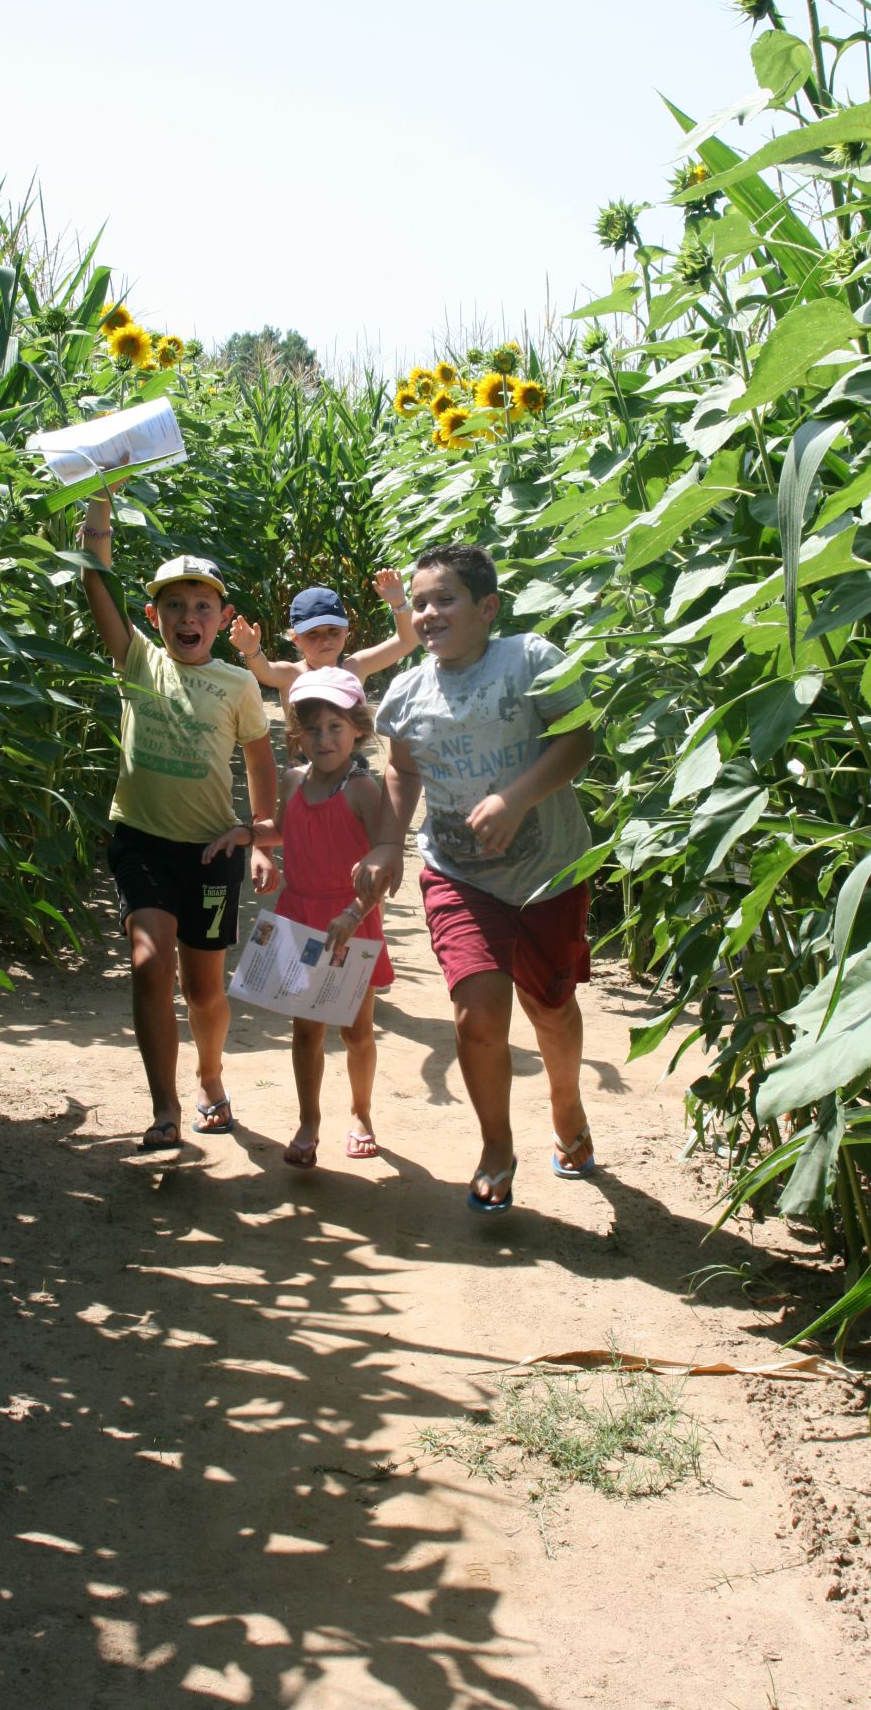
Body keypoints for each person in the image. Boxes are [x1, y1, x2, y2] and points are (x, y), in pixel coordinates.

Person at [353, 542, 596, 1213]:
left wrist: (517, 798)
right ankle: (496, 1145)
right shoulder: (406, 693)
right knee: (476, 1015)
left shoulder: (529, 660)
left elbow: (578, 739)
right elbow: (400, 769)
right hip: (458, 873)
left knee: (550, 1006)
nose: (428, 613)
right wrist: (386, 843)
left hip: (549, 870)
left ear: (487, 608)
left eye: (445, 599)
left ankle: (566, 1104)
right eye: (421, 602)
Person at [78, 492, 278, 1151]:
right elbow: (93, 580)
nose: (187, 617)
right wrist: (98, 516)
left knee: (204, 991)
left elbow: (258, 757)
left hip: (209, 853)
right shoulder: (138, 660)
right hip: (142, 844)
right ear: (152, 614)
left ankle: (211, 1078)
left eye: (202, 606)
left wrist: (259, 831)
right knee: (147, 961)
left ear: (222, 617)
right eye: (173, 605)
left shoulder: (237, 685)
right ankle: (164, 1109)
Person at [204, 668, 393, 1169]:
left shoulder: (362, 790)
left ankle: (361, 1113)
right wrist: (246, 836)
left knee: (356, 1031)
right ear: (298, 736)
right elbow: (283, 829)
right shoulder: (294, 780)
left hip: (351, 922)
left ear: (357, 729)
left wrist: (355, 912)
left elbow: (383, 864)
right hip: (300, 916)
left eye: (336, 727)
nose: (324, 739)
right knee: (306, 1029)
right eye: (313, 729)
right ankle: (309, 1122)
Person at [228, 572, 420, 731]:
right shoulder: (292, 674)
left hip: (351, 766)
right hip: (306, 768)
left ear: (346, 632)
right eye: (313, 634)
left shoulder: (356, 666)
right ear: (296, 639)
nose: (325, 639)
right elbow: (265, 671)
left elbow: (407, 641)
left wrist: (399, 604)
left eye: (333, 631)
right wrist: (252, 650)